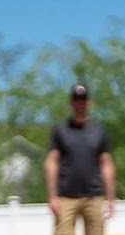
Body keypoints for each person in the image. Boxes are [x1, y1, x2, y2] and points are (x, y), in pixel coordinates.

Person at [45, 83, 117, 235]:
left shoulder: (99, 130)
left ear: (89, 103)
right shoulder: (60, 129)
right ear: (70, 103)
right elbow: (52, 161)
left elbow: (106, 164)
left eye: (83, 100)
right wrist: (52, 196)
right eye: (76, 100)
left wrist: (110, 198)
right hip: (65, 198)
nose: (80, 104)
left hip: (94, 198)